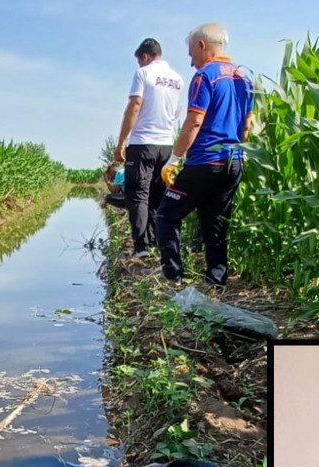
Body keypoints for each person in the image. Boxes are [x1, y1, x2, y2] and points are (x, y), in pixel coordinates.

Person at [154, 23, 253, 290]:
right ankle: (216, 283)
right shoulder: (245, 78)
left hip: (204, 162)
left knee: (166, 216)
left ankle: (173, 278)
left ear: (202, 46)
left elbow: (194, 121)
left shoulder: (205, 77)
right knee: (215, 223)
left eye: (191, 54)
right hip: (233, 163)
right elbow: (247, 127)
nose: (191, 62)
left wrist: (175, 158)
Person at [114, 39, 183, 259]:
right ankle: (156, 241)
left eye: (139, 61)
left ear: (144, 57)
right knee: (158, 196)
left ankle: (141, 247)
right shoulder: (177, 79)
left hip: (143, 143)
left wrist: (122, 141)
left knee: (138, 196)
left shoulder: (143, 74)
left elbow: (135, 105)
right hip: (166, 144)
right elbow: (176, 112)